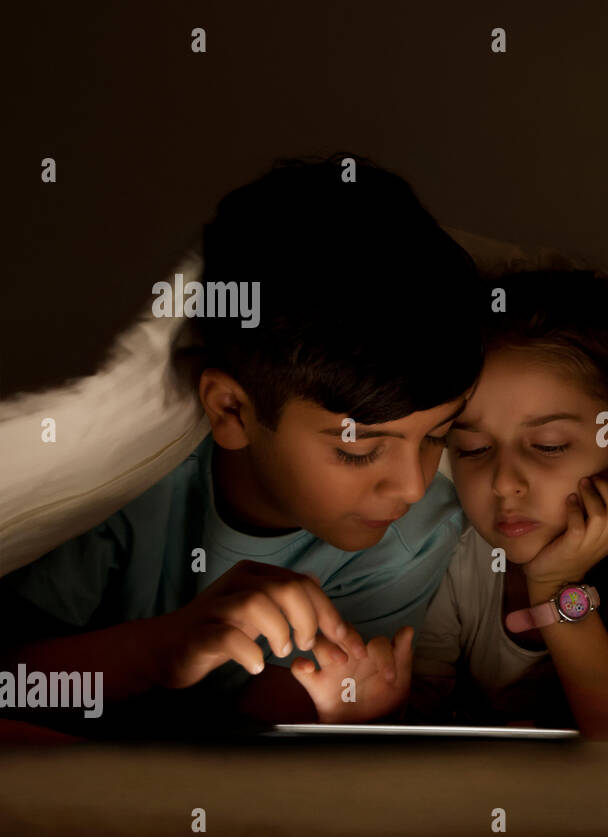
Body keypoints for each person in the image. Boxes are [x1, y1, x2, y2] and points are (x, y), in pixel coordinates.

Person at [0, 155, 484, 732]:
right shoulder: (128, 493)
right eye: (358, 450)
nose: (412, 484)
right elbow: (13, 685)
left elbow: (254, 743)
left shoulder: (413, 537)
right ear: (232, 409)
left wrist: (335, 716)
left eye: (438, 436)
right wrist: (161, 649)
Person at [291, 269, 608, 738]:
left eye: (549, 445)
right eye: (474, 449)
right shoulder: (452, 538)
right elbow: (423, 707)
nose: (503, 483)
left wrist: (557, 591)